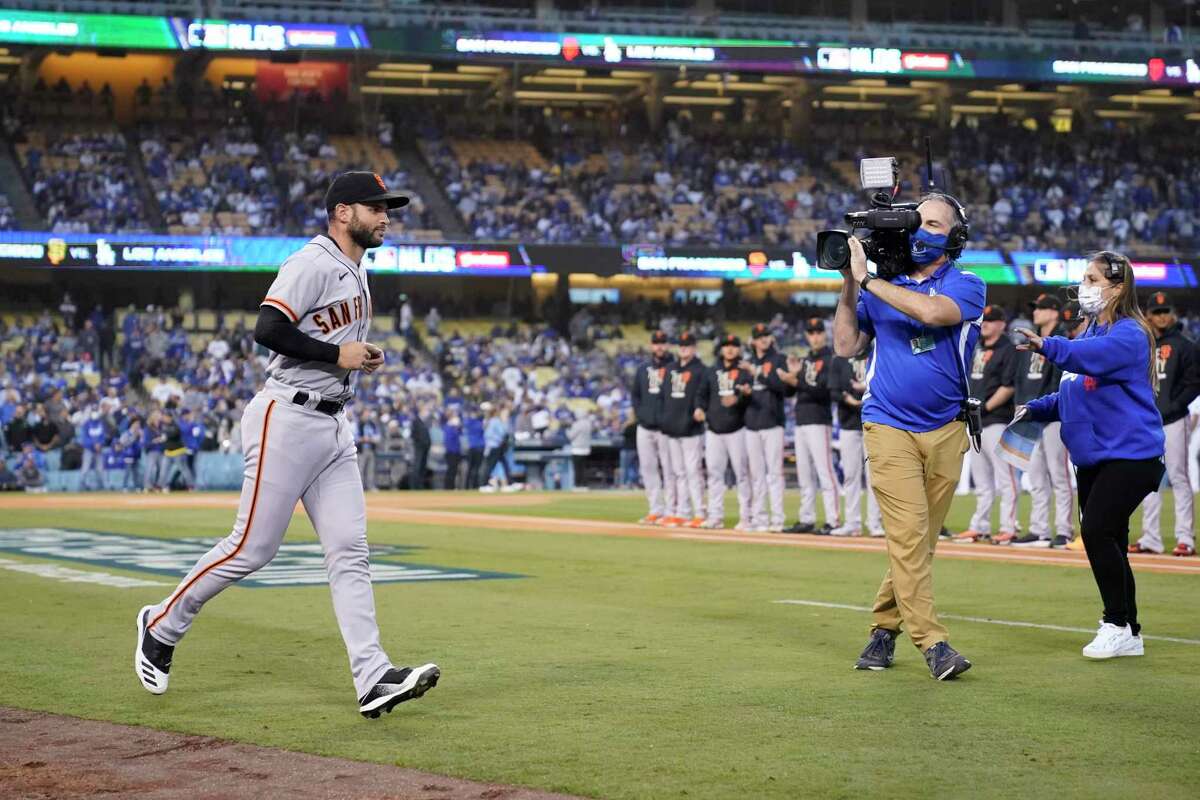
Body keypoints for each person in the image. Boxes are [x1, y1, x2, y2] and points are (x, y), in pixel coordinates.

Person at [134, 171, 439, 718]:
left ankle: (372, 678)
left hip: (332, 425)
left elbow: (328, 341)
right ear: (343, 212)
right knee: (252, 547)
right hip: (287, 416)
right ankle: (161, 622)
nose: (386, 216)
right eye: (377, 208)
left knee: (350, 550)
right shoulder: (313, 261)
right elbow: (268, 329)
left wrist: (358, 354)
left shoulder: (357, 268)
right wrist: (335, 355)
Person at [834, 192, 982, 680]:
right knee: (910, 534)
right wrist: (848, 286)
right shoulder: (882, 285)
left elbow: (934, 315)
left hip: (946, 428)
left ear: (956, 236)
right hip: (887, 423)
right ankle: (934, 644)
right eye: (917, 220)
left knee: (918, 542)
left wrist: (869, 280)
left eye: (935, 223)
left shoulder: (968, 284)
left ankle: (882, 630)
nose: (922, 229)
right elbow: (845, 345)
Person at [1017, 251, 1165, 659]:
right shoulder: (1090, 336)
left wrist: (1047, 344)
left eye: (1092, 278)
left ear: (1117, 287)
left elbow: (1086, 361)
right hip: (1096, 456)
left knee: (1097, 532)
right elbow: (1072, 389)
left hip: (1130, 455)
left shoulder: (1130, 333)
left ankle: (1116, 622)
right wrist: (1036, 408)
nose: (1084, 286)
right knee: (1111, 539)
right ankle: (1129, 631)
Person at [1133, 292, 1200, 556]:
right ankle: (1151, 538)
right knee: (1147, 480)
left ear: (1172, 313)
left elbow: (1194, 383)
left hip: (1173, 420)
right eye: (1156, 311)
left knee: (1179, 477)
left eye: (1165, 311)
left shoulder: (1185, 344)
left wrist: (1174, 406)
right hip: (1146, 421)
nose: (1161, 316)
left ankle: (1186, 537)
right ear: (1148, 315)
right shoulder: (1142, 344)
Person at [1011, 294, 1075, 548]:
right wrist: (1019, 402)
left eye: (1041, 308)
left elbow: (1057, 381)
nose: (1036, 312)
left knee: (1058, 475)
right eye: (1035, 308)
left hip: (1053, 416)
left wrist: (1042, 406)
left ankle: (1064, 530)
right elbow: (1019, 378)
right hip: (1030, 415)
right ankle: (1039, 529)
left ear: (1054, 312)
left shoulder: (1058, 342)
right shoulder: (1030, 342)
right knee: (1036, 476)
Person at [955, 305, 1019, 544]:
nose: (986, 324)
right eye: (985, 320)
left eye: (991, 321)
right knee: (981, 479)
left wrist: (985, 407)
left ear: (1002, 323)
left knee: (1005, 478)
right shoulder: (976, 347)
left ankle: (1008, 527)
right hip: (976, 421)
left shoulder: (1008, 349)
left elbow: (1008, 385)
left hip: (998, 419)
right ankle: (979, 526)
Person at [781, 317, 841, 535]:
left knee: (825, 472)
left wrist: (797, 381)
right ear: (806, 335)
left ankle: (833, 520)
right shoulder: (805, 361)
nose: (815, 336)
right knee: (804, 474)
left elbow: (824, 390)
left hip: (819, 419)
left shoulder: (830, 359)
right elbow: (790, 392)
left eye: (818, 332)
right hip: (801, 420)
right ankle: (807, 518)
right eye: (811, 332)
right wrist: (793, 375)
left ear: (824, 334)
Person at [696, 333, 753, 529]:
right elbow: (701, 395)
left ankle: (746, 517)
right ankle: (715, 516)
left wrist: (739, 398)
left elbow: (751, 396)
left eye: (733, 345)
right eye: (726, 345)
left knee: (743, 474)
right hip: (713, 430)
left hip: (738, 429)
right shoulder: (712, 371)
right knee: (714, 474)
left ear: (739, 349)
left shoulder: (745, 370)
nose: (729, 349)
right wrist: (699, 408)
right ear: (721, 349)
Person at [743, 323, 794, 532]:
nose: (764, 339)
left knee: (774, 473)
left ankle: (777, 519)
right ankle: (759, 517)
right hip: (751, 422)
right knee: (756, 474)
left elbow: (784, 388)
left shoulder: (779, 359)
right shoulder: (749, 362)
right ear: (753, 340)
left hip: (773, 422)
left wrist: (757, 373)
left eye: (766, 335)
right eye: (760, 336)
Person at [830, 346, 884, 537]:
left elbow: (886, 383)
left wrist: (867, 388)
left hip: (874, 422)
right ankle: (852, 522)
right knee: (850, 475)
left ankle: (874, 522)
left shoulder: (877, 353)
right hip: (848, 424)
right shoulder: (840, 359)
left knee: (874, 477)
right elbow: (833, 389)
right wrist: (847, 398)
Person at [660, 331, 707, 527]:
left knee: (692, 471)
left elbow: (702, 395)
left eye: (687, 345)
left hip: (691, 429)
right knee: (678, 472)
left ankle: (700, 512)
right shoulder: (670, 369)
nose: (684, 348)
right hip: (672, 428)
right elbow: (664, 397)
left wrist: (699, 410)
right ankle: (683, 512)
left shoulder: (701, 370)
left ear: (694, 348)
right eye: (681, 345)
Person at [630, 330, 676, 524]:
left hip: (666, 428)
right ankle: (655, 509)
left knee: (669, 469)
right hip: (645, 426)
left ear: (667, 345)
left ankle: (672, 510)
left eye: (663, 343)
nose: (659, 346)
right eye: (656, 343)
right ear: (651, 345)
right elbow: (636, 395)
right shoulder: (643, 369)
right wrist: (641, 416)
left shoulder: (675, 368)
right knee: (648, 468)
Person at [442, 412, 463, 489]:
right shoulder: (448, 427)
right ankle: (448, 487)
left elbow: (460, 433)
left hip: (456, 452)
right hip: (451, 452)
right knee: (450, 470)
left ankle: (452, 486)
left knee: (454, 471)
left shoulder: (454, 428)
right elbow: (448, 441)